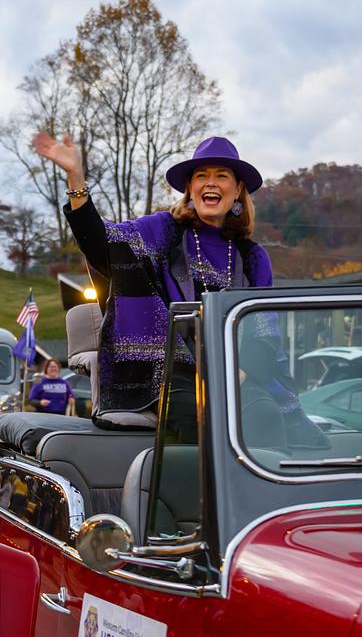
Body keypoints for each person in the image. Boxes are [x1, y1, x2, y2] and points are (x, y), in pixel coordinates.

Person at [34, 132, 274, 425]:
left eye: (222, 175)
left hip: (237, 374)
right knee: (200, 414)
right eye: (201, 175)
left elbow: (264, 332)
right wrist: (76, 179)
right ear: (190, 188)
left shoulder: (253, 258)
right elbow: (102, 244)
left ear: (237, 190)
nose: (210, 182)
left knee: (267, 419)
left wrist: (240, 372)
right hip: (171, 373)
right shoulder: (162, 232)